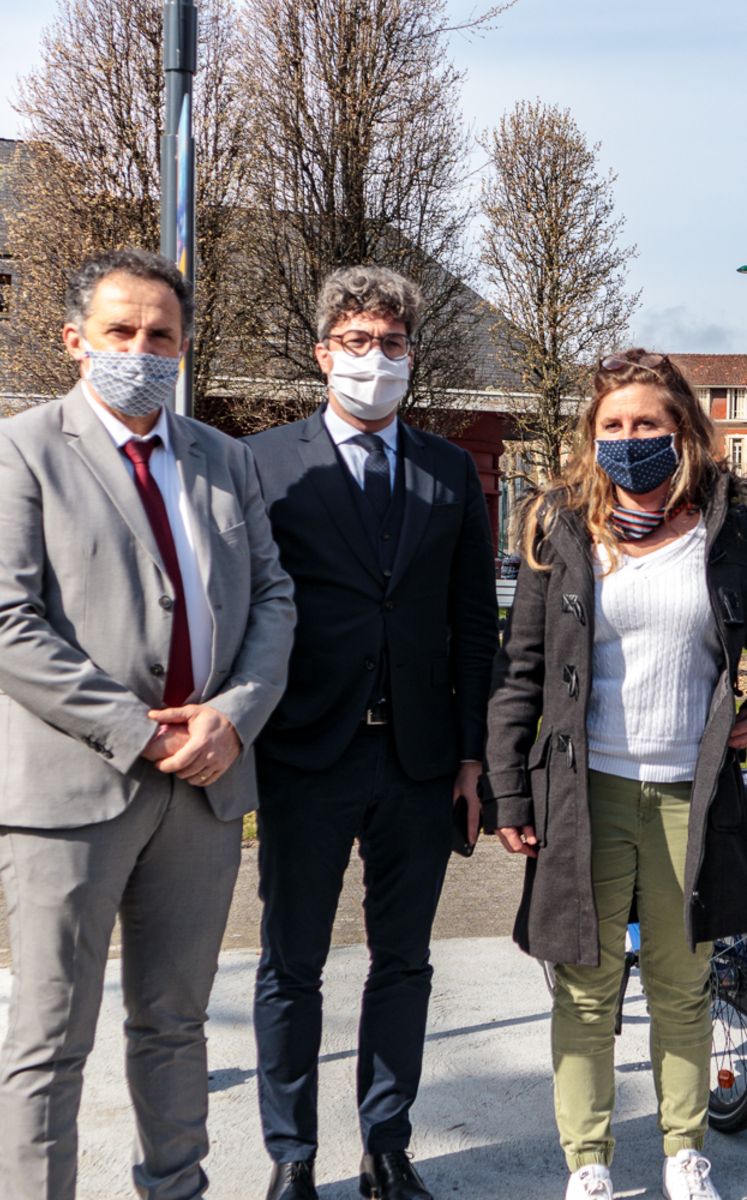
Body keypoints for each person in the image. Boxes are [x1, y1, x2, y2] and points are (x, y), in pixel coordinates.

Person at [0, 248, 297, 1200]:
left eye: (160, 335)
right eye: (121, 331)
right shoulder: (12, 450)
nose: (140, 350)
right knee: (50, 1035)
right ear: (76, 340)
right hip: (68, 789)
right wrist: (142, 731)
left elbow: (273, 598)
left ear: (182, 347)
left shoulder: (224, 459)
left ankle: (176, 1187)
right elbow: (0, 625)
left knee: (176, 1021)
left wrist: (233, 717)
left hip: (205, 786)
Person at [484, 349, 747, 1200]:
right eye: (613, 425)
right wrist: (509, 791)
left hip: (691, 796)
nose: (630, 439)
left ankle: (684, 1152)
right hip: (584, 794)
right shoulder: (561, 528)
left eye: (647, 423)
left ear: (682, 430)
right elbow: (520, 671)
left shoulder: (726, 529)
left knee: (682, 983)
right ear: (593, 436)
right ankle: (588, 1162)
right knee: (586, 988)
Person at [244, 266, 498, 1200]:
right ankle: (292, 1155)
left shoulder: (447, 470)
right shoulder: (265, 463)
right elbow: (243, 606)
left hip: (419, 760)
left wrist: (472, 756)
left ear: (411, 355)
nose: (375, 358)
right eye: (357, 341)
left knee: (404, 961)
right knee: (292, 964)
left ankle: (387, 1144)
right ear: (323, 353)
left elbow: (473, 622)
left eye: (391, 343)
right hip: (305, 752)